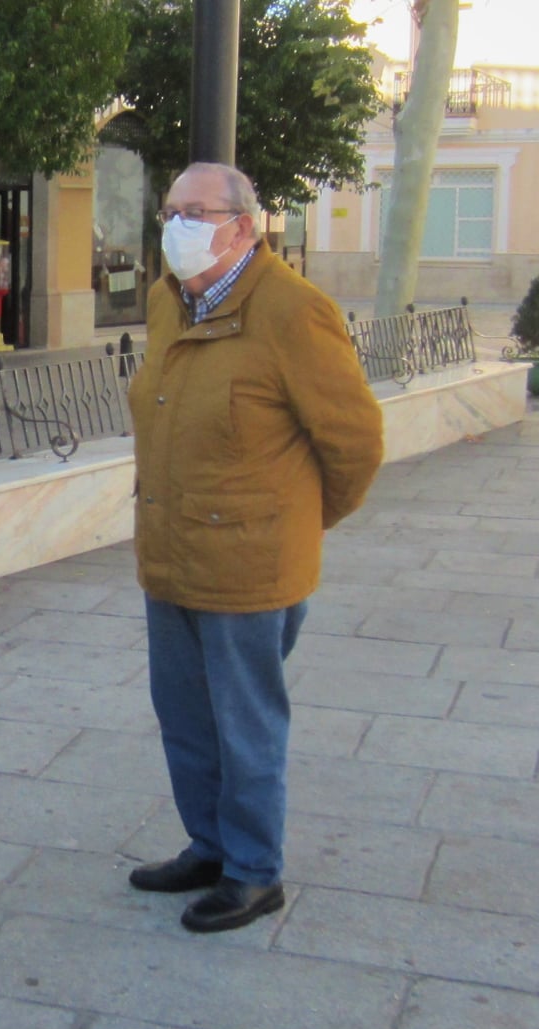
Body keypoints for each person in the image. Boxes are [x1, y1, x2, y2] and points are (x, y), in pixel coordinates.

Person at [124, 161, 383, 934]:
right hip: (170, 555)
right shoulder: (170, 303)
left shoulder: (294, 312)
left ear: (244, 224)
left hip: (250, 568)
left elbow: (355, 443)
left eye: (194, 211)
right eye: (171, 210)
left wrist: (294, 528)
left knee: (246, 726)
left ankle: (254, 871)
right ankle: (209, 845)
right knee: (184, 716)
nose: (177, 225)